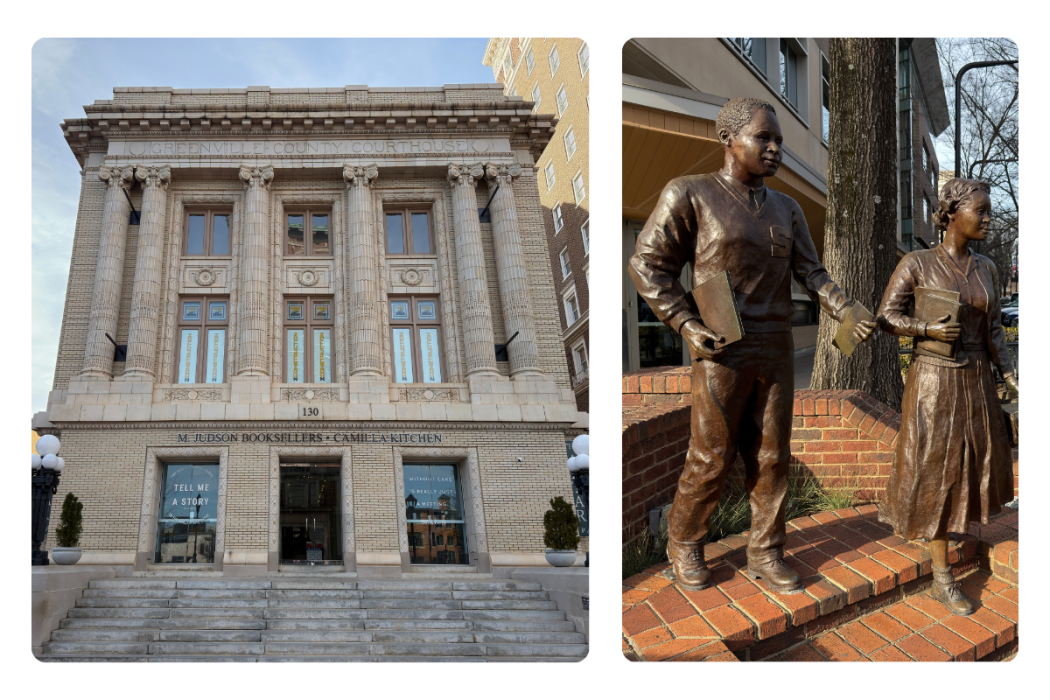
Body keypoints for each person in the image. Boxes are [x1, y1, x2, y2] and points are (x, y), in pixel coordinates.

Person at [629, 97, 875, 593]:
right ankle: (684, 541)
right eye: (764, 138)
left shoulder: (787, 208)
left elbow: (812, 272)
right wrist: (684, 322)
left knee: (771, 456)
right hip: (722, 346)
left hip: (775, 346)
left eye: (779, 140)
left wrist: (844, 307)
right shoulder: (690, 194)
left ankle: (765, 549)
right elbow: (646, 265)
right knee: (712, 454)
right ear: (729, 140)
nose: (774, 148)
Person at [876, 178, 1018, 615]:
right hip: (934, 380)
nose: (989, 219)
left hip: (976, 377)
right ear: (952, 213)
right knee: (937, 469)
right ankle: (941, 575)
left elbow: (994, 328)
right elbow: (887, 315)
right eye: (982, 210)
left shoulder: (988, 268)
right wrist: (927, 329)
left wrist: (1010, 372)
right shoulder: (918, 263)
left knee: (974, 462)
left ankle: (953, 526)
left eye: (991, 210)